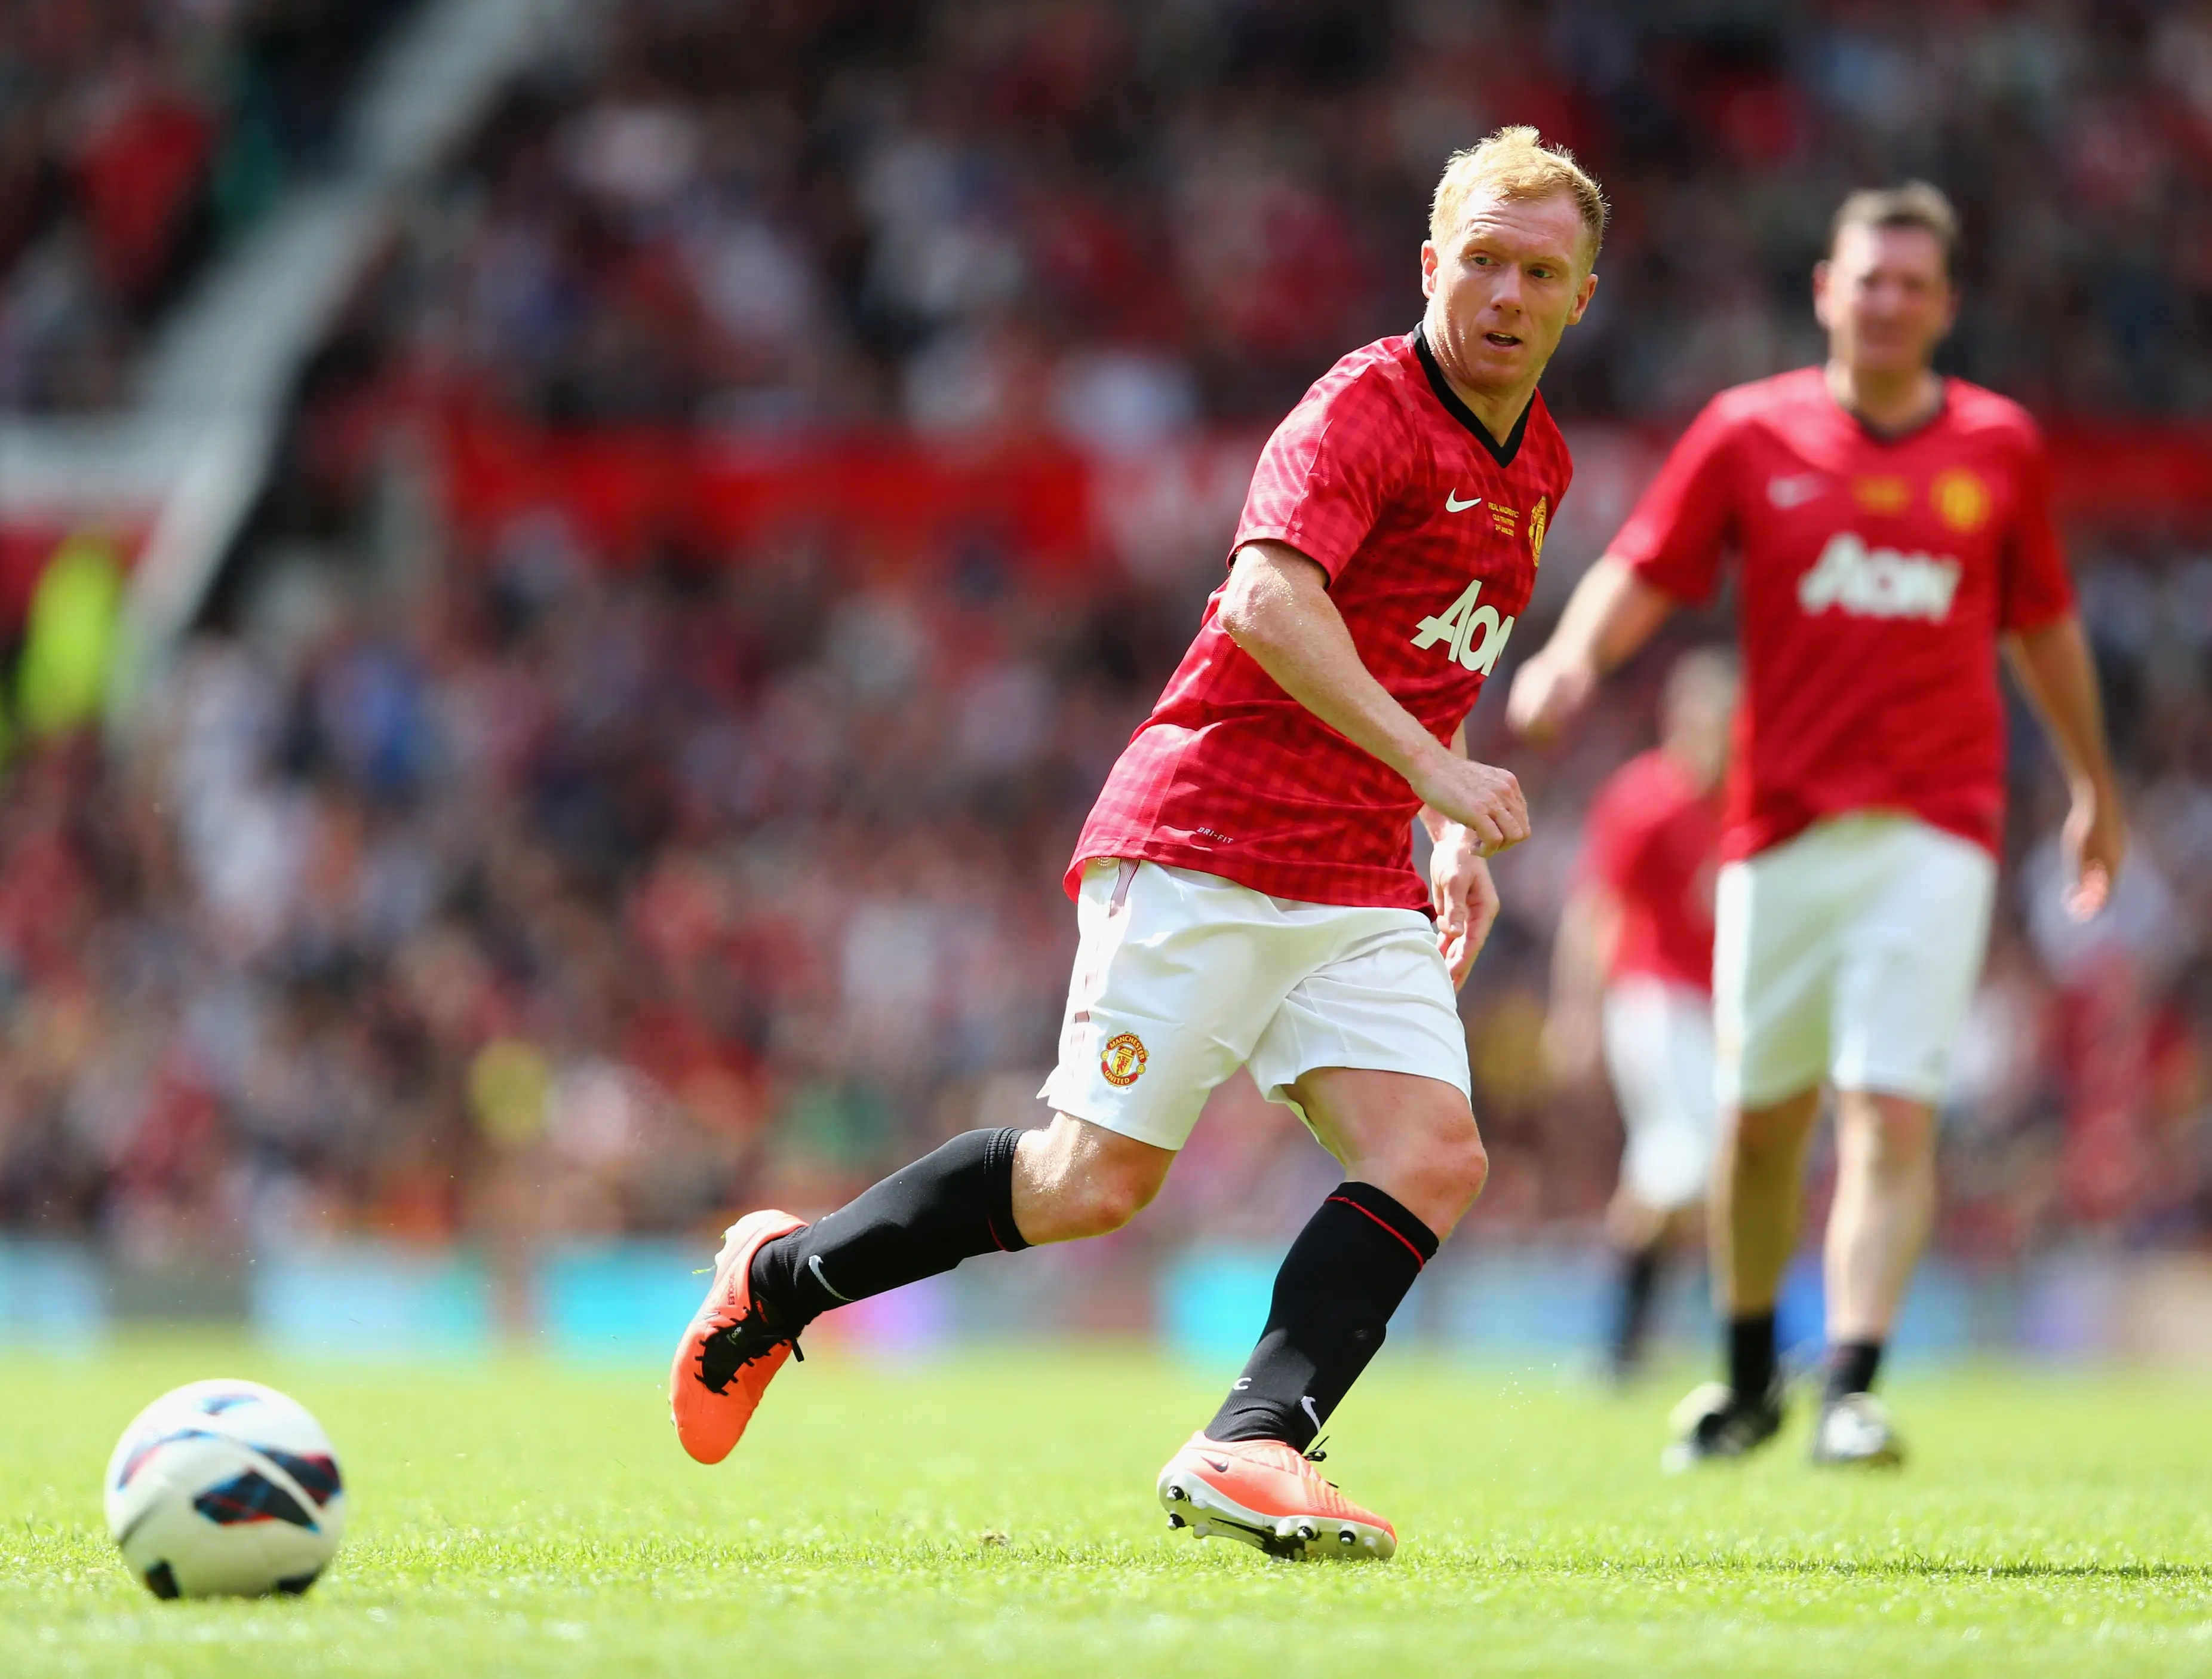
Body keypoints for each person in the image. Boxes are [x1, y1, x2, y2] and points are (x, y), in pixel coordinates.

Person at [668, 125, 1605, 1560]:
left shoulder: (1535, 459)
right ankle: (778, 1279)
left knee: (1431, 1150)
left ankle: (1251, 1439)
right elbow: (1264, 605)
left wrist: (1436, 804)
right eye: (1481, 259)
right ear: (1430, 264)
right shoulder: (1359, 411)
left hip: (1355, 865)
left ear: (1579, 297)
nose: (1505, 292)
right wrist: (1433, 768)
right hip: (1209, 833)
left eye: (1539, 270)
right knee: (1089, 1185)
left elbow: (1425, 655)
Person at [1507, 182, 2123, 1470]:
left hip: (1935, 825)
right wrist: (1571, 657)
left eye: (1914, 284)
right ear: (1825, 292)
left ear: (1947, 307)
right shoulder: (1749, 433)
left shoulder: (1999, 447)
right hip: (1776, 830)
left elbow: (2045, 626)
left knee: (1891, 1110)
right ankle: (1743, 1381)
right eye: (1869, 279)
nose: (1889, 302)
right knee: (1759, 1120)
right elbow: (1647, 562)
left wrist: (2090, 784)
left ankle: (1850, 1381)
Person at [1543, 646, 1735, 1381]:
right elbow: (1596, 910)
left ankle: (1620, 1344)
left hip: (1713, 1012)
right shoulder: (1644, 799)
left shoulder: (1740, 802)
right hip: (1651, 1002)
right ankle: (1753, 1344)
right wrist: (1575, 1011)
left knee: (1670, 1171)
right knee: (1700, 1160)